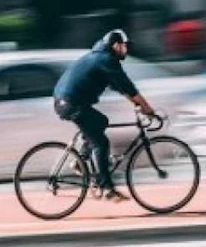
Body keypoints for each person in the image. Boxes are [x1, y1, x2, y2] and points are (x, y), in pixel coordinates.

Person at [53, 29, 156, 202]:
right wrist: (147, 108)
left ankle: (81, 161)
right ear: (116, 45)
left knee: (101, 121)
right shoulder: (106, 59)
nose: (127, 50)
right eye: (125, 46)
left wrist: (138, 104)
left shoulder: (101, 58)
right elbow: (128, 86)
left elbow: (121, 88)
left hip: (68, 102)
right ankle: (107, 187)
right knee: (101, 142)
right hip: (71, 104)